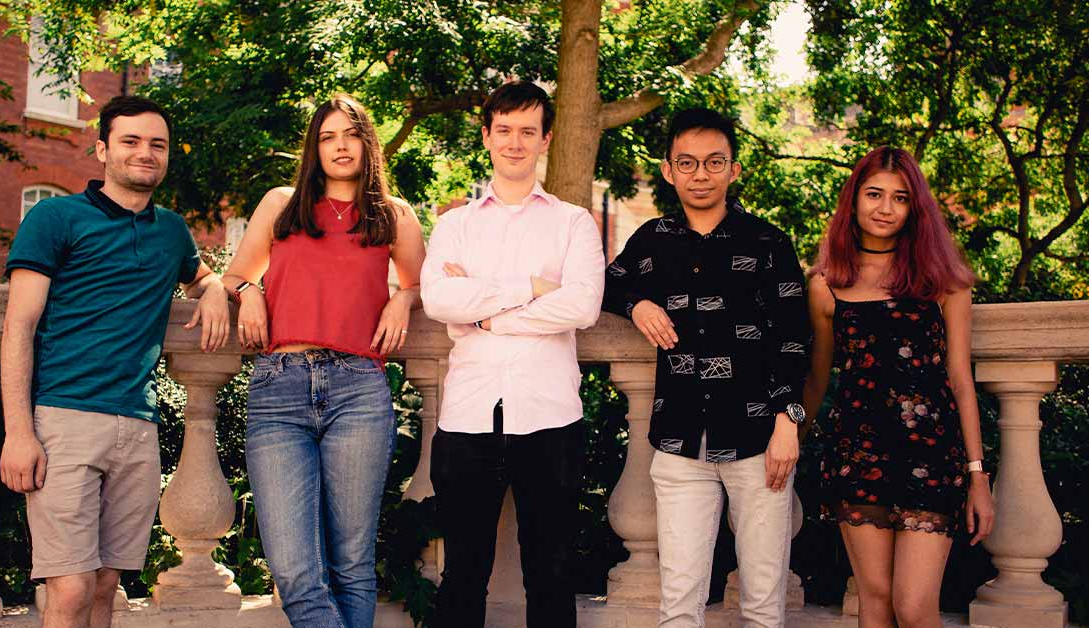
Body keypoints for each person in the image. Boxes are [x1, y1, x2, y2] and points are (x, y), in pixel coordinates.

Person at [0, 95, 230, 628]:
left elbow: (202, 275)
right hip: (65, 418)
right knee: (72, 586)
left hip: (138, 423)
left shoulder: (171, 230)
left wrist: (215, 288)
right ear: (103, 148)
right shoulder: (56, 217)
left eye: (157, 144)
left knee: (106, 585)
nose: (145, 153)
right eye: (130, 141)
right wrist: (19, 431)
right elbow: (19, 325)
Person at [221, 94, 424, 628]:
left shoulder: (393, 215)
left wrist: (403, 296)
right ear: (315, 146)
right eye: (328, 136)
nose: (340, 146)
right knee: (293, 568)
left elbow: (424, 287)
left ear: (367, 144)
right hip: (278, 388)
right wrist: (251, 292)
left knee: (352, 563)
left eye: (350, 135)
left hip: (360, 390)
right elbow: (234, 275)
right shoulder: (281, 204)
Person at [602, 107, 810, 628]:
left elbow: (793, 337)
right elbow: (604, 284)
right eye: (687, 163)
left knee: (763, 601)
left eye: (714, 162)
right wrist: (638, 305)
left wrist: (789, 422)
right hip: (679, 439)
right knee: (678, 602)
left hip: (759, 438)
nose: (701, 174)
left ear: (734, 169)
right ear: (669, 170)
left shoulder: (768, 243)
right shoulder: (651, 241)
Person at [420, 81, 604, 628]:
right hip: (468, 415)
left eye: (528, 131)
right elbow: (437, 298)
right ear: (487, 136)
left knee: (550, 572)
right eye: (504, 130)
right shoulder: (456, 224)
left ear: (546, 139)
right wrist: (531, 285)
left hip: (550, 416)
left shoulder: (573, 222)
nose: (515, 142)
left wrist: (482, 309)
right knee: (462, 576)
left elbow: (583, 306)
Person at [803, 146, 994, 628]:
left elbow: (959, 379)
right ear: (853, 200)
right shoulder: (826, 284)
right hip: (857, 455)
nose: (885, 208)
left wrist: (978, 475)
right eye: (873, 194)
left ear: (915, 208)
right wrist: (790, 443)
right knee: (875, 598)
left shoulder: (943, 282)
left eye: (900, 197)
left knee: (913, 605)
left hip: (931, 457)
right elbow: (817, 380)